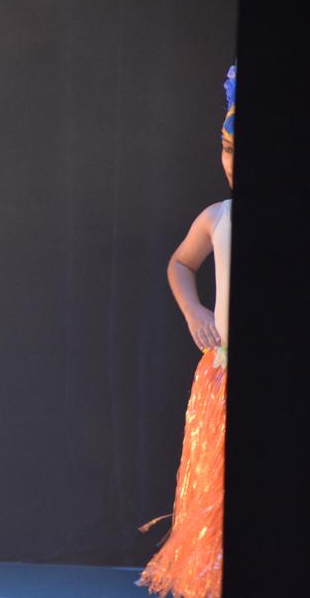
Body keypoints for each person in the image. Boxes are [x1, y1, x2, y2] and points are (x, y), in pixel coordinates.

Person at [138, 64, 235, 598]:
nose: (233, 163)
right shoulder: (217, 216)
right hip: (221, 380)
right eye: (227, 148)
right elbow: (180, 263)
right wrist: (194, 311)